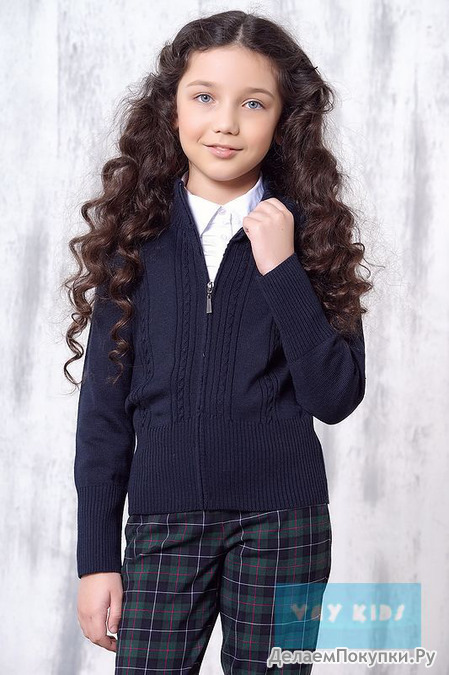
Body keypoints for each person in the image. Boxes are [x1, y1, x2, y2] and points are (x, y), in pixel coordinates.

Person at [64, 9, 372, 674]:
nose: (225, 123)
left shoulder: (312, 237)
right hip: (162, 524)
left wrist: (282, 268)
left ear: (283, 119)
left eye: (253, 103)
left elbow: (335, 396)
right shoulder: (134, 241)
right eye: (204, 97)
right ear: (171, 108)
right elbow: (103, 416)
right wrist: (96, 559)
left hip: (285, 526)